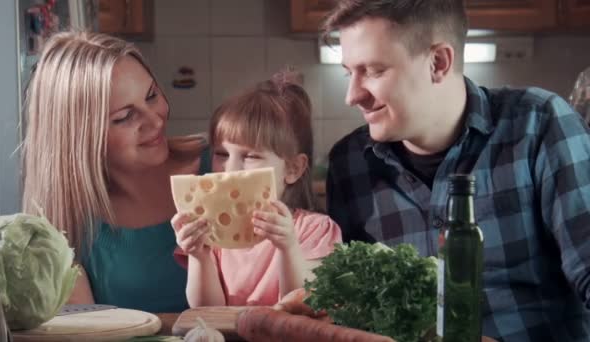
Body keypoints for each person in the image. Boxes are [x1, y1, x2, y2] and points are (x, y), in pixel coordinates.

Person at [323, 1, 590, 341]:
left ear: (438, 63)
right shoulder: (349, 163)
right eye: (349, 73)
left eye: (373, 71)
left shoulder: (539, 125)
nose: (352, 95)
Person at [21, 31, 211, 313]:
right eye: (124, 117)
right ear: (79, 137)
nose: (154, 120)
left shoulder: (222, 164)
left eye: (151, 96)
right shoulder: (66, 226)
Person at [171, 71, 342, 307]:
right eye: (221, 154)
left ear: (293, 168)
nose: (229, 169)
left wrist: (287, 248)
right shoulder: (212, 232)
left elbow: (304, 308)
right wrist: (199, 255)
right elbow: (206, 311)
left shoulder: (315, 230)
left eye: (250, 156)